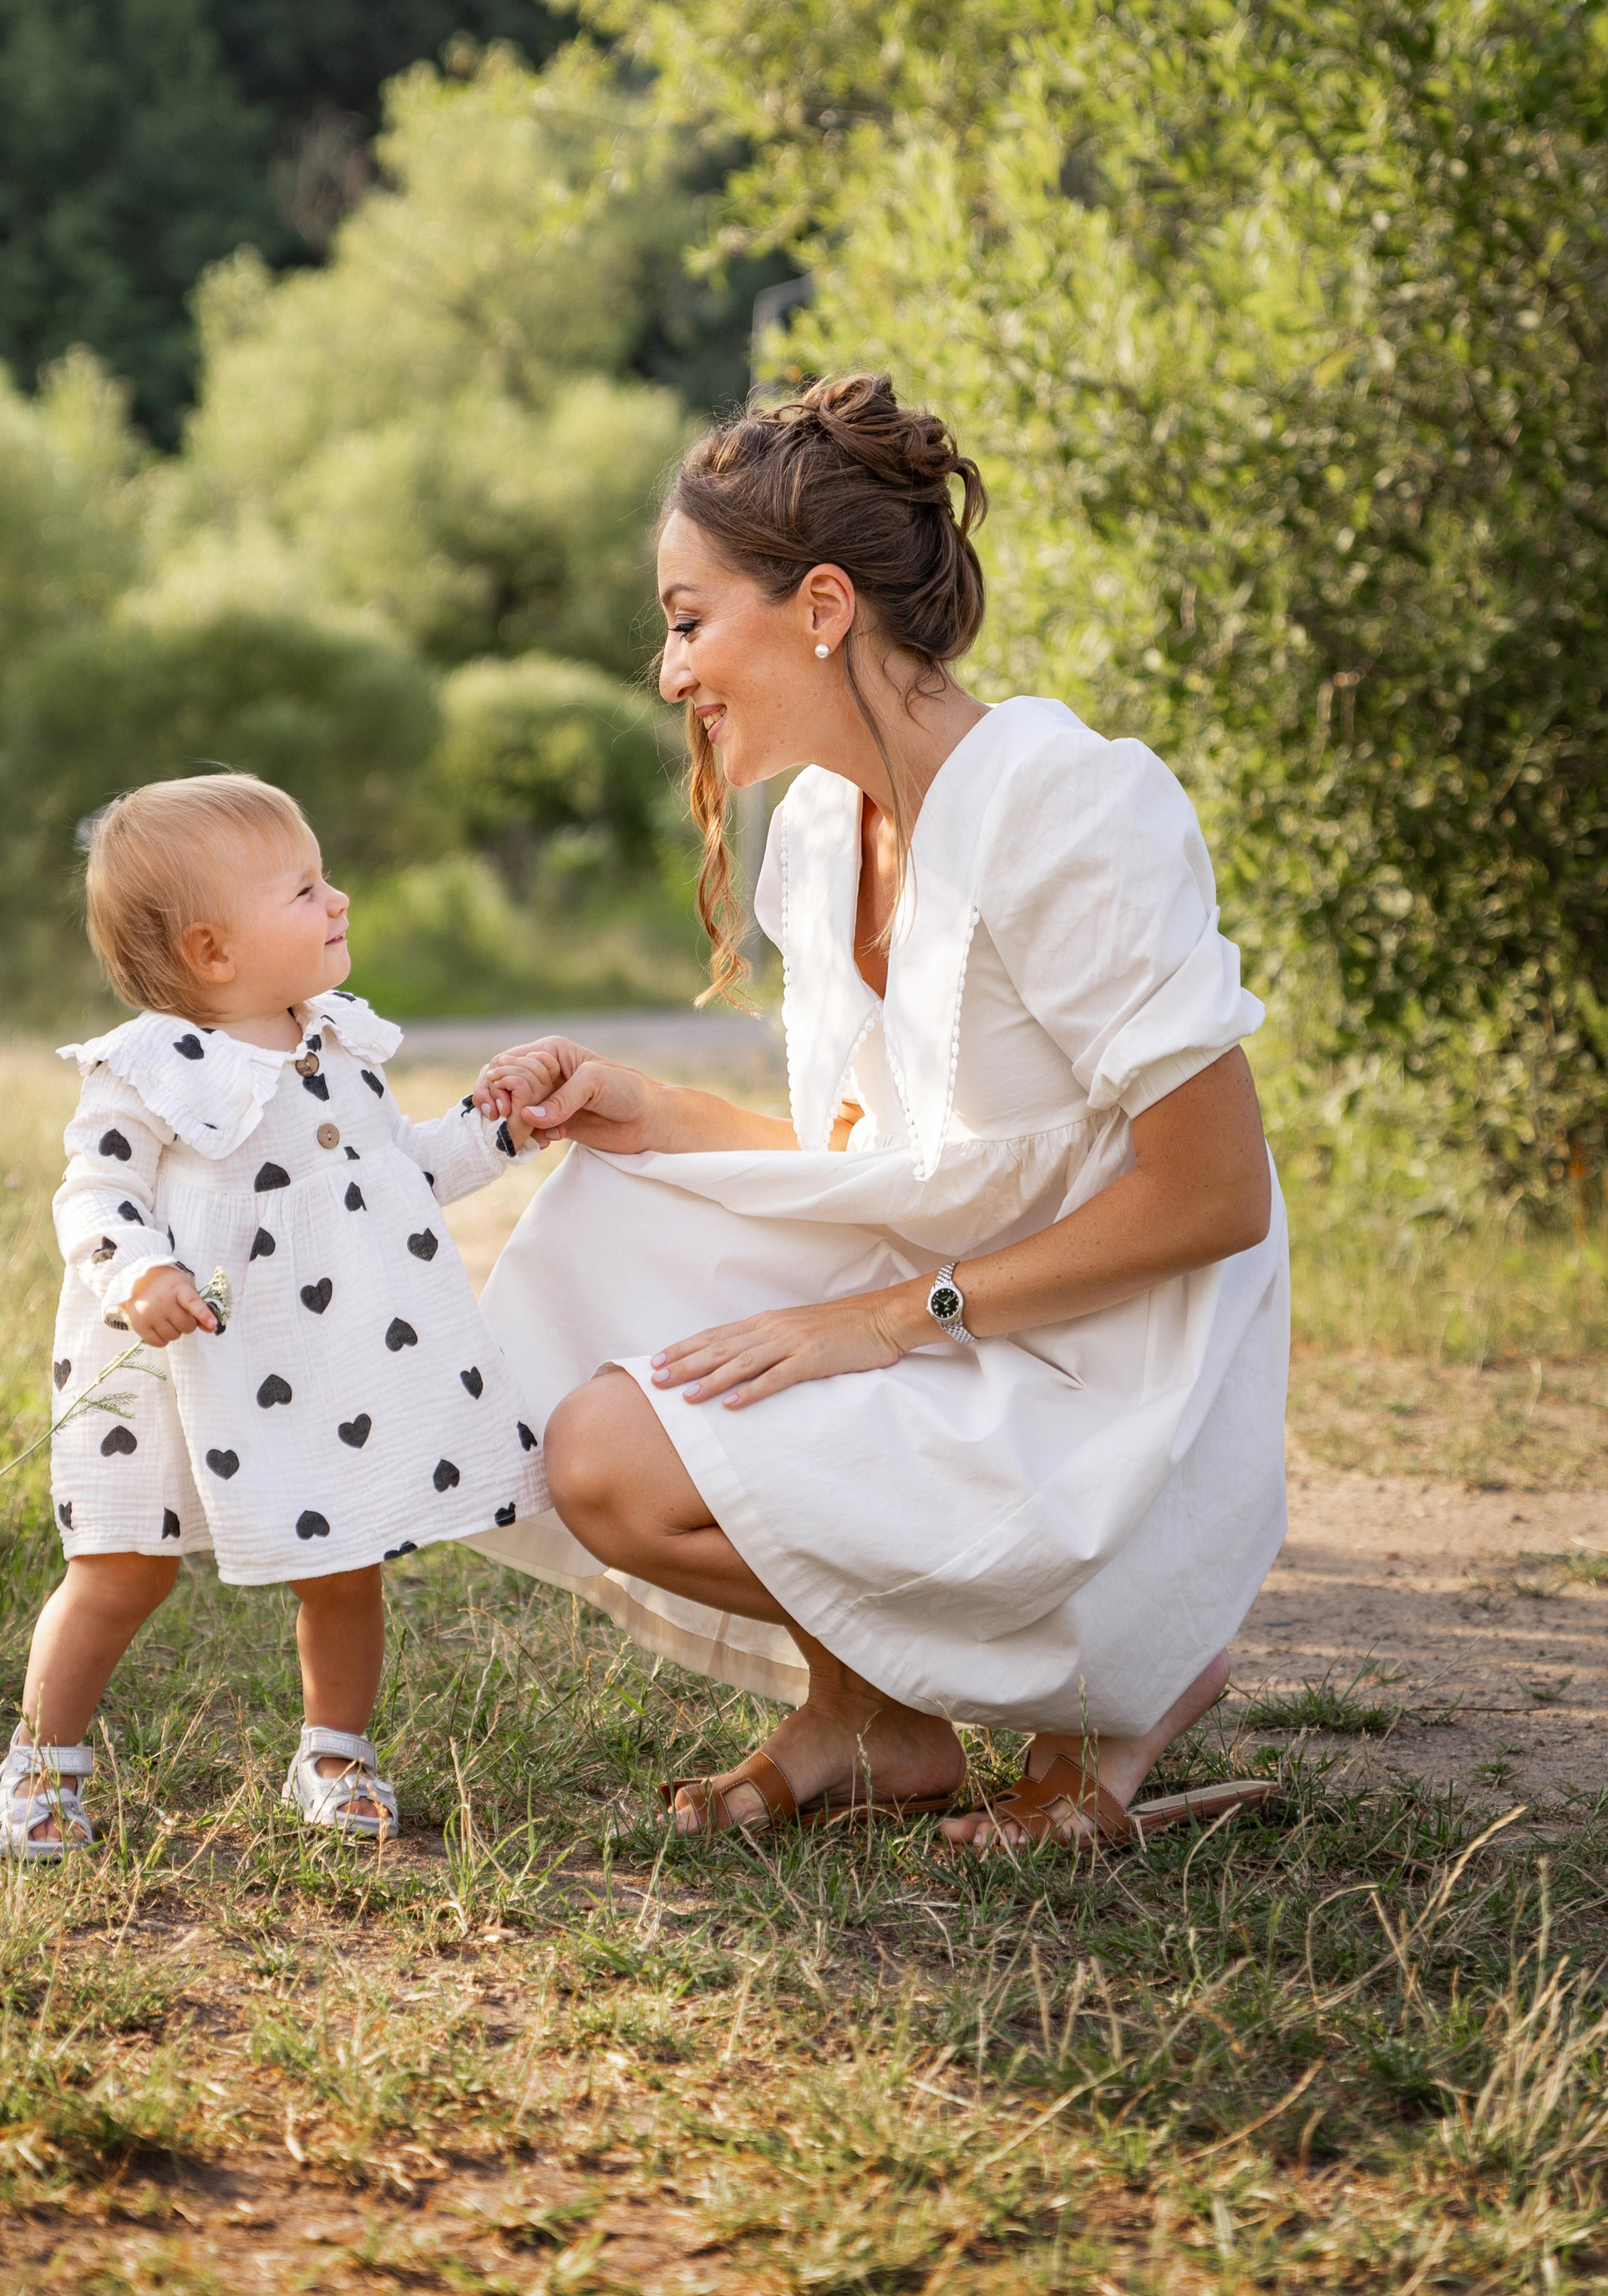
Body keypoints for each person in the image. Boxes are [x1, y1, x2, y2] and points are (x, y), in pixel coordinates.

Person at [473, 375, 1287, 1851]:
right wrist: (652, 1111)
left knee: (687, 1405)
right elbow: (887, 1170)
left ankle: (1126, 1649)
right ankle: (875, 1716)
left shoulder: (1063, 804)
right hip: (950, 1321)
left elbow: (1215, 1192)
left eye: (688, 619)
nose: (669, 670)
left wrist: (889, 1320)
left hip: (1106, 1378)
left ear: (823, 606)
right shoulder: (818, 828)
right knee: (600, 1437)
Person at [0, 773, 547, 1862]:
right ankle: (41, 1762)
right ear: (212, 952)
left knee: (344, 1557)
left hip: (311, 1356)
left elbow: (402, 1171)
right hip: (172, 1357)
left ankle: (335, 1755)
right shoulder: (147, 1068)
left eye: (324, 879)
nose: (338, 900)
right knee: (122, 1567)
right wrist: (138, 1272)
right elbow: (95, 1193)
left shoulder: (336, 1045)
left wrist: (497, 1128)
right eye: (304, 889)